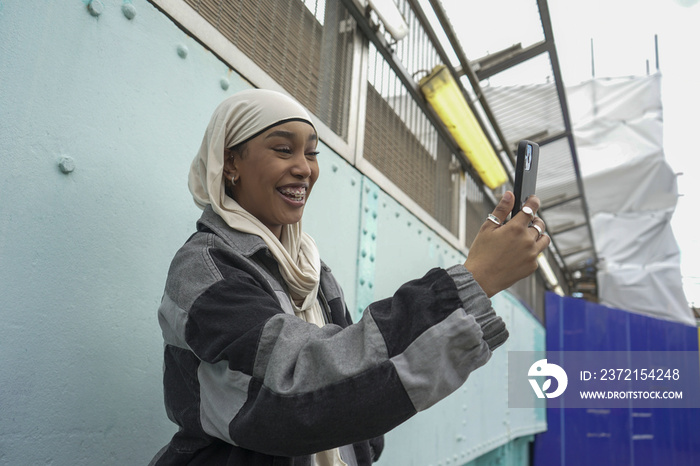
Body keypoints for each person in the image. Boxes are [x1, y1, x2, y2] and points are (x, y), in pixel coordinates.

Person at [150, 89, 550, 465]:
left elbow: (347, 369)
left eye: (312, 153)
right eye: (283, 149)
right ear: (231, 162)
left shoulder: (312, 269)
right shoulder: (205, 269)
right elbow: (294, 388)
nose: (304, 168)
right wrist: (474, 280)